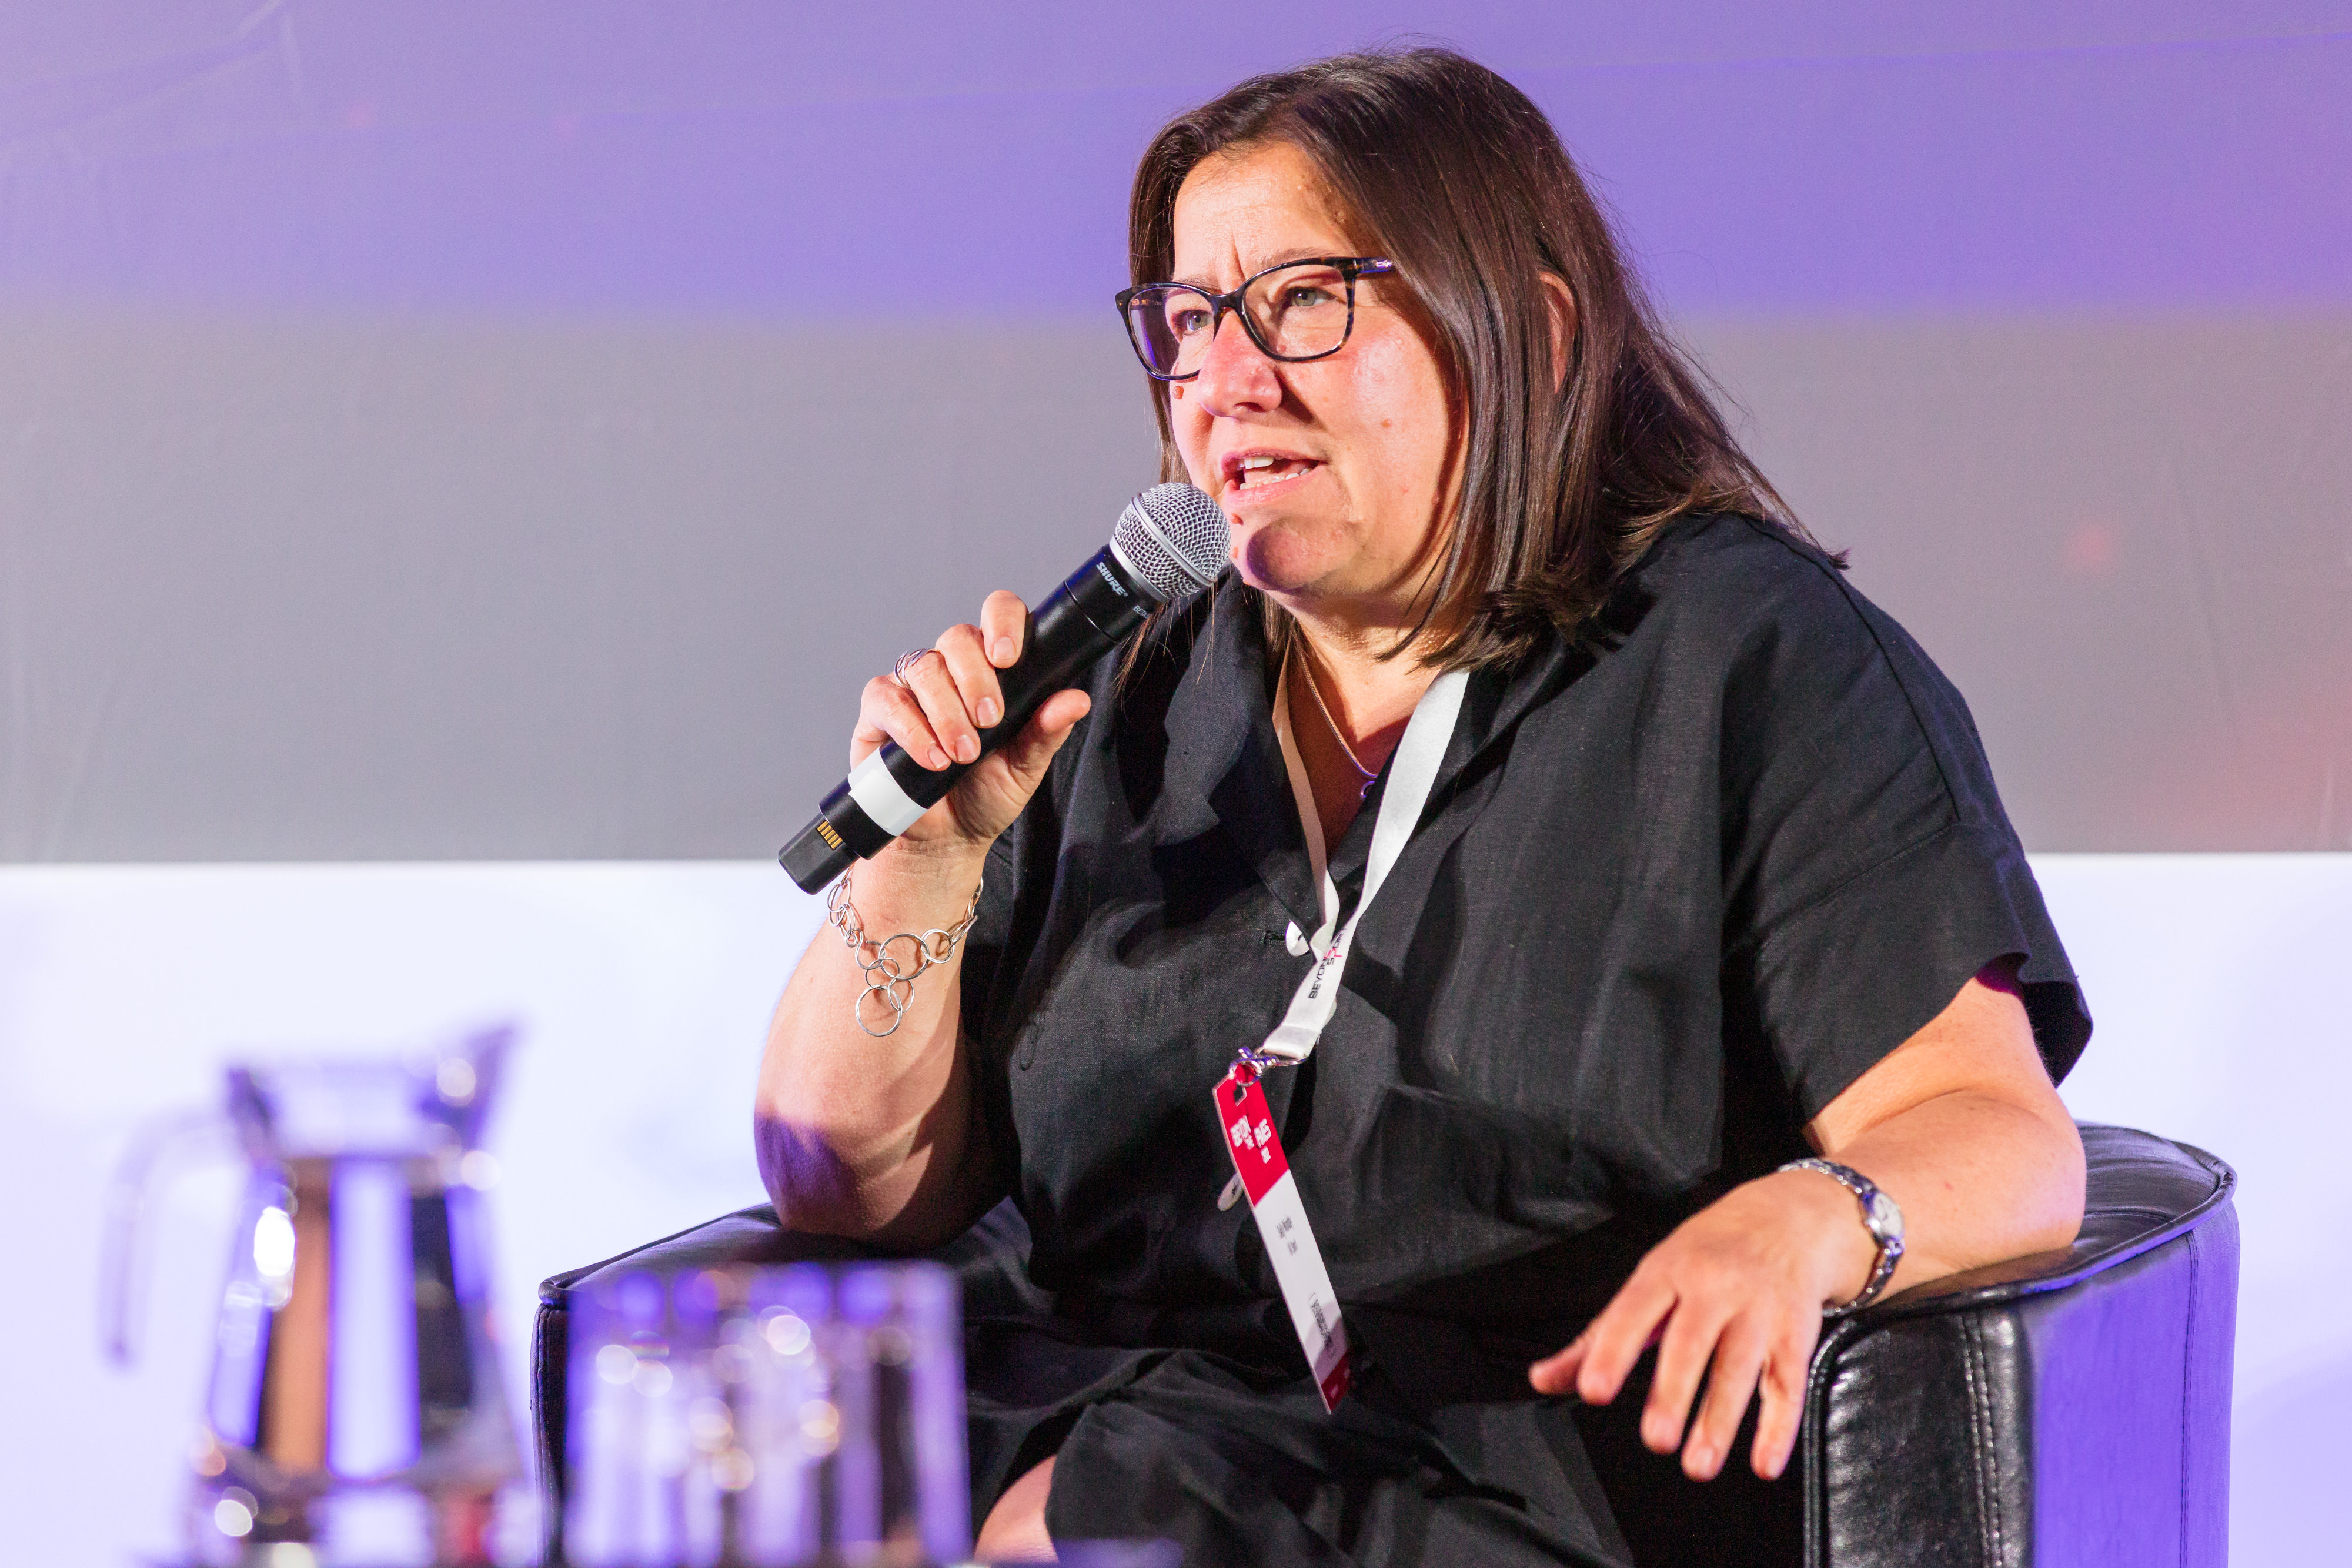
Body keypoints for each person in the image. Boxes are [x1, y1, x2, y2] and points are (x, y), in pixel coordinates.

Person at [756, 48, 2089, 1568]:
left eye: (1303, 300)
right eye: (1190, 321)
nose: (1227, 377)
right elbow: (837, 1187)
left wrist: (1810, 1213)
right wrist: (920, 869)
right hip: (1097, 1425)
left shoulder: (1742, 660)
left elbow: (2001, 1133)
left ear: (1528, 325)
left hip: (1510, 1477)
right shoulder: (1123, 690)